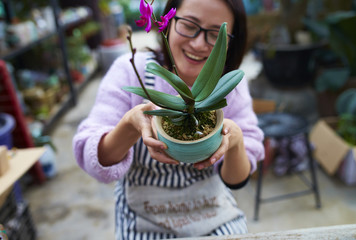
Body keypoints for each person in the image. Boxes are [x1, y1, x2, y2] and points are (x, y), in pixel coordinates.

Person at [73, 0, 264, 238]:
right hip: (144, 219)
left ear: (231, 42)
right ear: (167, 23)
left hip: (211, 216)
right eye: (189, 25)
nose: (198, 43)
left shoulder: (228, 87)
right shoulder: (133, 72)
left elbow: (238, 179)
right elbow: (93, 158)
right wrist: (131, 124)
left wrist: (234, 140)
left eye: (217, 34)